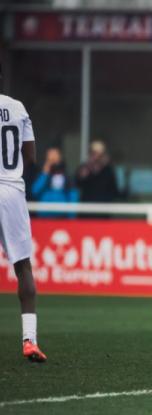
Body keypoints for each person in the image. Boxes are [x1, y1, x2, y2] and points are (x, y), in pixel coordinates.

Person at [0, 64, 47, 362]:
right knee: (23, 267)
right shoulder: (17, 107)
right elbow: (30, 156)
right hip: (11, 190)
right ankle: (29, 340)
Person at [31, 146, 79, 217]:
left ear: (60, 157)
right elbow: (35, 191)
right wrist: (45, 172)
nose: (52, 159)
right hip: (44, 216)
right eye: (49, 156)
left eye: (55, 155)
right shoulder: (43, 175)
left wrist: (71, 217)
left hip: (62, 217)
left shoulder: (67, 177)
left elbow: (73, 197)